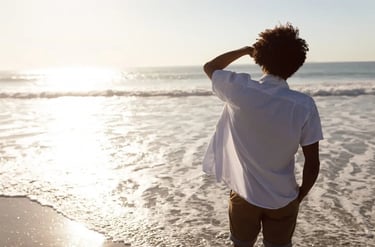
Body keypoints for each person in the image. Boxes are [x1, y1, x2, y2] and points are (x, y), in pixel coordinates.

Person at [202, 23, 323, 247]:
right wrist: (299, 197)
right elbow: (313, 162)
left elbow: (211, 66)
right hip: (284, 197)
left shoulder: (240, 90)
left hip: (244, 194)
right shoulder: (304, 105)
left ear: (260, 58)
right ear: (296, 65)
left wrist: (247, 50)